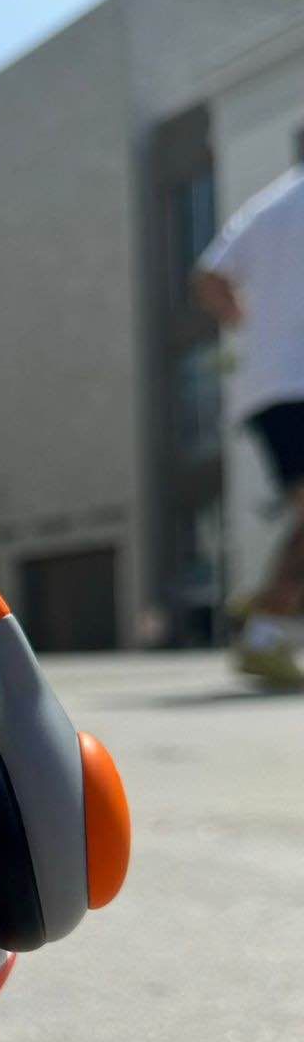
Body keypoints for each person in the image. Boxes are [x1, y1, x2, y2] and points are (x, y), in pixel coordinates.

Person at [195, 167, 304, 687]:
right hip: (293, 381)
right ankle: (266, 623)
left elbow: (210, 277)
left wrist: (253, 331)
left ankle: (267, 609)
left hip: (270, 380)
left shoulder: (270, 203)